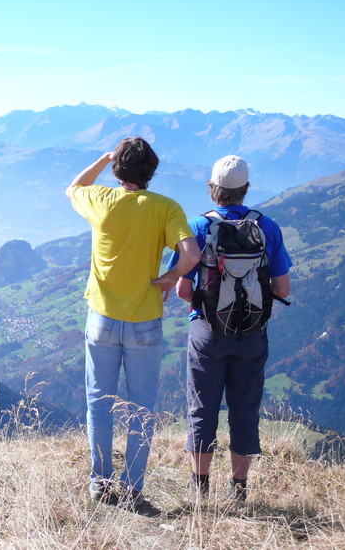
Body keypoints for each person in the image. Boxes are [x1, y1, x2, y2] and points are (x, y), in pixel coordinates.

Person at [66, 137, 200, 509]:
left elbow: (74, 187)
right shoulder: (166, 208)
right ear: (152, 171)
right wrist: (170, 277)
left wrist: (105, 158)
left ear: (117, 170)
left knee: (99, 402)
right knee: (141, 407)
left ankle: (100, 482)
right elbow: (191, 254)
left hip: (102, 318)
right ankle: (132, 489)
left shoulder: (101, 200)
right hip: (144, 321)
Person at [168, 155, 292, 502]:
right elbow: (283, 290)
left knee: (202, 407)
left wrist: (207, 307)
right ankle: (238, 490)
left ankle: (200, 488)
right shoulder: (267, 227)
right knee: (244, 409)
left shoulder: (197, 226)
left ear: (213, 190)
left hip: (207, 331)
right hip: (251, 334)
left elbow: (181, 288)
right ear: (246, 189)